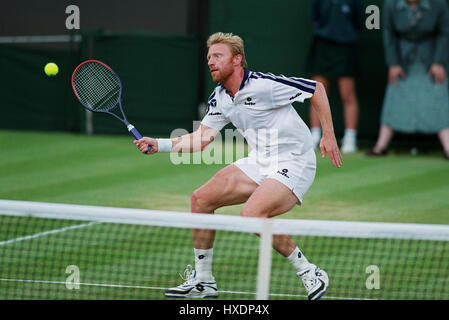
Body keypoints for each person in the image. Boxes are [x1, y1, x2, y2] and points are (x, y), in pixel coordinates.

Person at [134, 32, 342, 300]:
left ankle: (310, 272)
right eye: (209, 57)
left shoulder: (264, 85)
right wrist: (160, 145)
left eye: (218, 56)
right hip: (260, 160)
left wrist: (328, 135)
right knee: (201, 200)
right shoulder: (220, 97)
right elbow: (202, 138)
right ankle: (204, 281)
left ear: (237, 60)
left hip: (295, 159)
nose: (211, 62)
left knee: (252, 215)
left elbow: (317, 89)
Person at [367, 0, 449, 159]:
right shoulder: (391, 5)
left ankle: (448, 147)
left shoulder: (439, 4)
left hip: (431, 60)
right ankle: (381, 146)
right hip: (402, 61)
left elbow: (445, 33)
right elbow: (388, 34)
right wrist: (393, 63)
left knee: (438, 99)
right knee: (395, 98)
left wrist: (439, 61)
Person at [307, 0, 364, 153]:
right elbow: (314, 18)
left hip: (346, 46)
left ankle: (350, 139)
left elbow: (359, 22)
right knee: (317, 93)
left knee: (348, 95)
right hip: (322, 45)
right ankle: (315, 136)